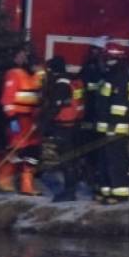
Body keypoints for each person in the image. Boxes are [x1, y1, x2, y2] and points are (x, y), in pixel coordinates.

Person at [91, 39, 129, 203]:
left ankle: (120, 193)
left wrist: (128, 115)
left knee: (116, 160)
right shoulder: (111, 74)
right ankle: (106, 189)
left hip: (115, 126)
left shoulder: (119, 74)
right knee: (104, 160)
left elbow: (125, 100)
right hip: (106, 126)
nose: (104, 59)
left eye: (105, 56)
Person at [0, 47, 42, 194]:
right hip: (18, 119)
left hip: (33, 119)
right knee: (17, 150)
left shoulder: (37, 75)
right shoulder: (14, 74)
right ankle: (3, 180)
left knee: (33, 152)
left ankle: (26, 185)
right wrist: (12, 119)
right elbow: (7, 99)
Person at [43, 55, 84, 201]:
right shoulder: (72, 81)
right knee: (71, 158)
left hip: (63, 127)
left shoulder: (61, 85)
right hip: (74, 124)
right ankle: (71, 188)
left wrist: (42, 123)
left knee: (66, 160)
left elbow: (55, 106)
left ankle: (69, 191)